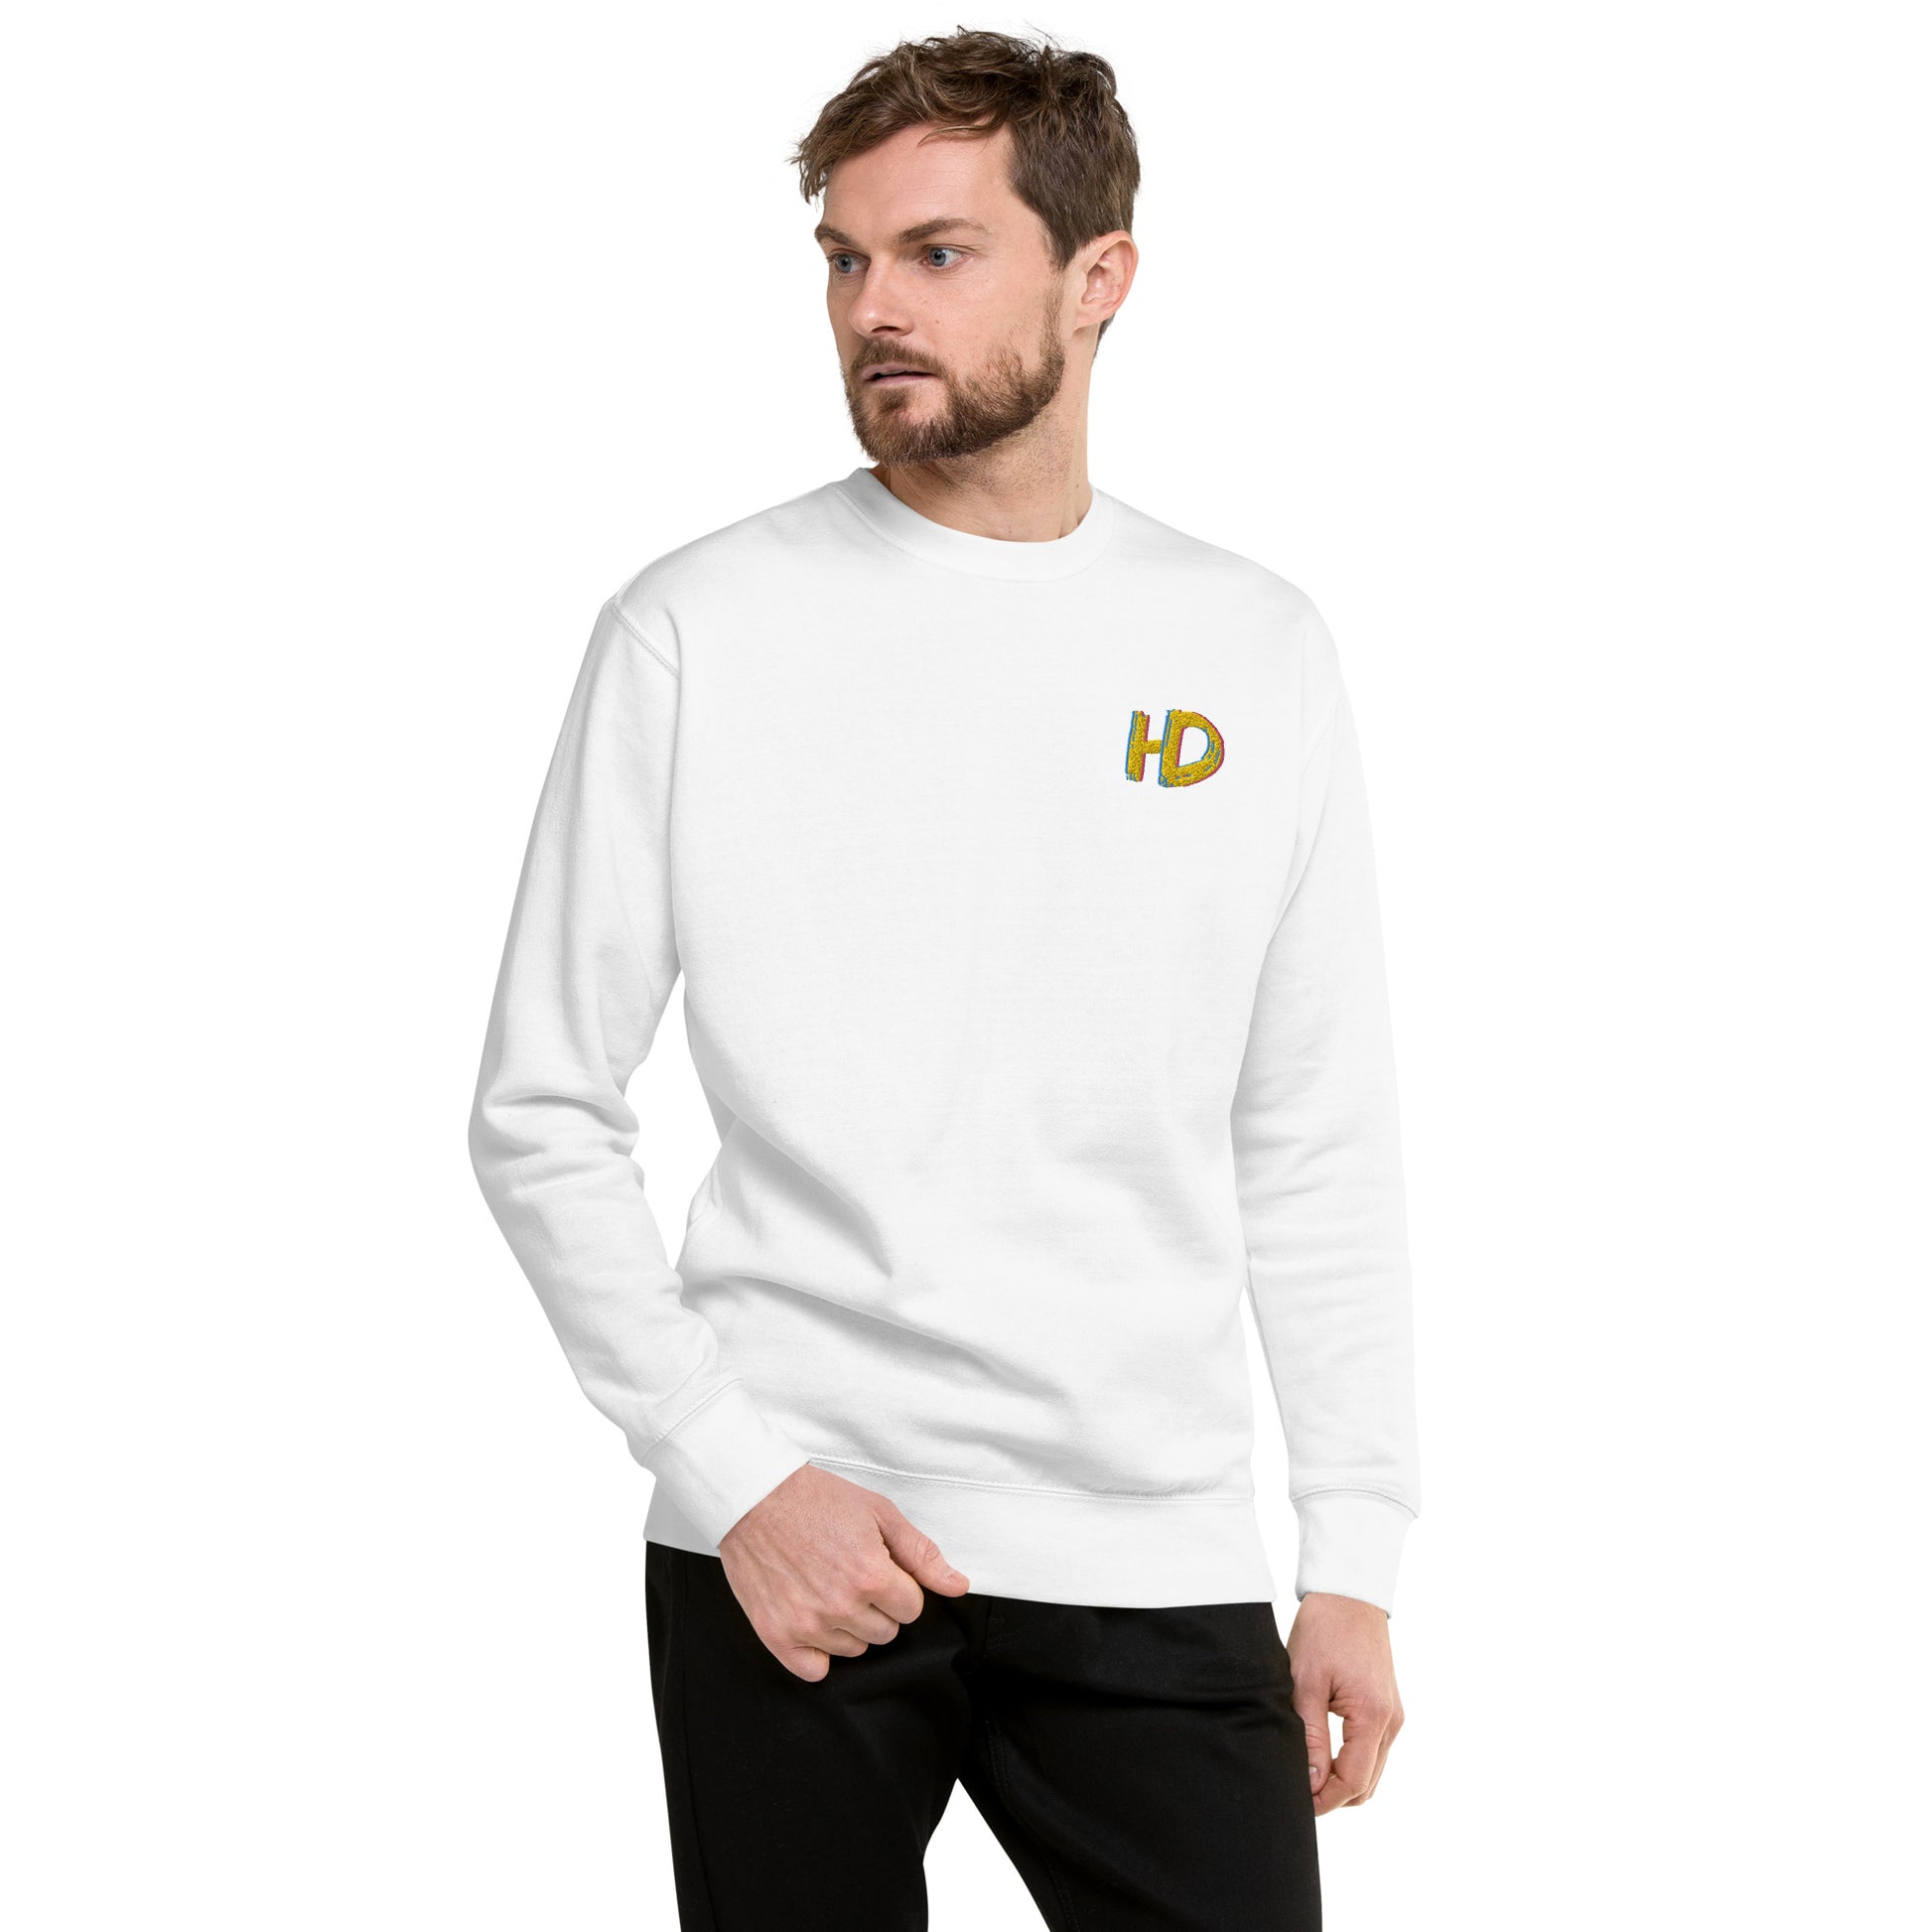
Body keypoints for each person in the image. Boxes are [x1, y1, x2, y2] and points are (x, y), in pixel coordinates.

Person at [468, 27, 1421, 1929]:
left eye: (936, 252)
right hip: (791, 1539)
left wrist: (1354, 1550)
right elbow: (540, 1109)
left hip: (1147, 1544)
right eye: (843, 257)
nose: (871, 308)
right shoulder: (695, 628)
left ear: (1098, 274)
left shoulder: (1251, 645)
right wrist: (735, 1473)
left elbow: (1310, 1129)